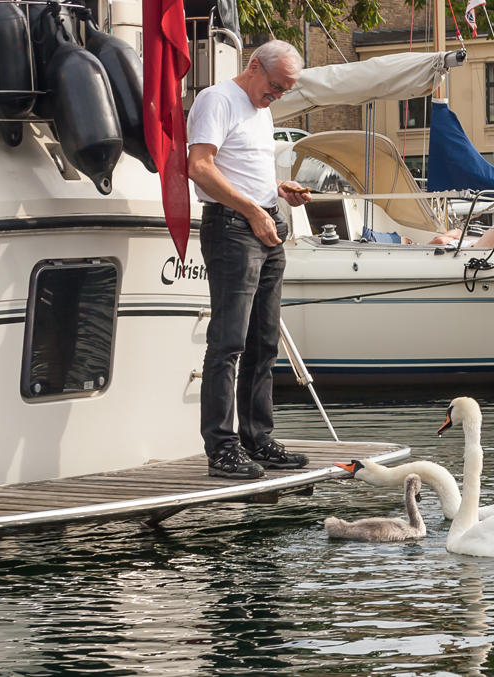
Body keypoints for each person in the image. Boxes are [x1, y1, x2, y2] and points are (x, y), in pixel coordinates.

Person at [187, 40, 312, 479]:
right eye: (275, 87)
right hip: (234, 229)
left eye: (283, 91)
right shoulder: (217, 99)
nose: (276, 96)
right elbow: (200, 167)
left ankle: (257, 438)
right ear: (254, 66)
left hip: (266, 225)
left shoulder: (261, 108)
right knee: (228, 343)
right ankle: (222, 448)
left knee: (264, 342)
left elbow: (242, 165)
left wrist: (278, 189)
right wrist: (254, 209)